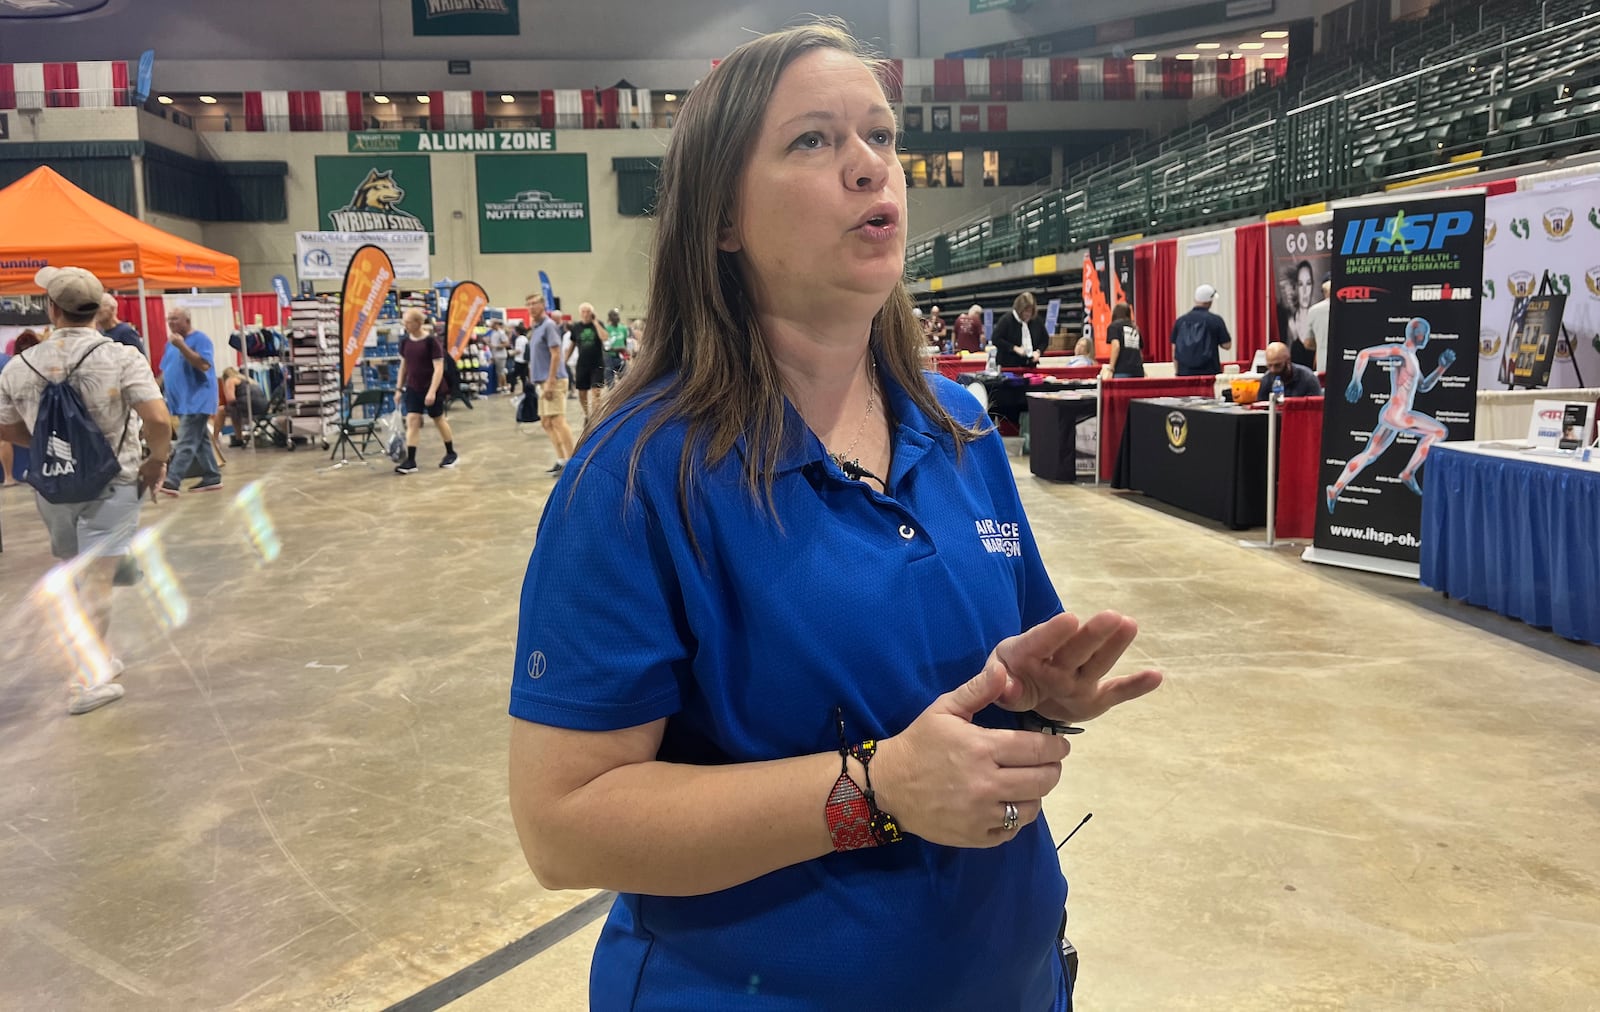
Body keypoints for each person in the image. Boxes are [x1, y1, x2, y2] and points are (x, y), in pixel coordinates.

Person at [506, 23, 1162, 1011]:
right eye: (813, 141)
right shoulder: (638, 478)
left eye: (880, 136)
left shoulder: (960, 427)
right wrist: (880, 788)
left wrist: (1038, 697)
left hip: (1008, 972)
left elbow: (992, 677)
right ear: (721, 219)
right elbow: (565, 825)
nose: (868, 167)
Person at [0, 266, 172, 715]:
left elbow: (5, 428)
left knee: (79, 573)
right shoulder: (120, 357)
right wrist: (156, 461)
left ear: (51, 309)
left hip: (52, 486)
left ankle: (95, 657)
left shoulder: (19, 365)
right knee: (97, 581)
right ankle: (84, 680)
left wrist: (48, 443)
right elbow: (157, 420)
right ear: (98, 309)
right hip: (111, 482)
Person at [1326, 316, 1454, 511]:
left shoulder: (1411, 357)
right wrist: (1356, 380)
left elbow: (1424, 386)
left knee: (1369, 454)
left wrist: (1441, 368)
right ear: (1420, 335)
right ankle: (1408, 473)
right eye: (1426, 334)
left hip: (1391, 414)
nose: (1428, 338)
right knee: (1438, 432)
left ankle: (1335, 489)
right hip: (1398, 415)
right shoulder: (1401, 353)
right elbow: (1364, 354)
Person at [159, 307, 222, 495]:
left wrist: (182, 347)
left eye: (175, 319)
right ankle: (212, 476)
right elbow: (165, 371)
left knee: (185, 441)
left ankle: (172, 480)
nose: (171, 323)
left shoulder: (200, 339)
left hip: (198, 399)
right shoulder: (170, 343)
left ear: (187, 321)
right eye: (169, 319)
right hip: (181, 401)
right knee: (200, 439)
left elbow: (203, 365)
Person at [392, 308, 459, 473]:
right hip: (413, 387)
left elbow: (438, 368)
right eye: (404, 321)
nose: (404, 324)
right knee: (412, 420)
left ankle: (451, 453)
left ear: (418, 323)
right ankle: (411, 460)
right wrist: (399, 389)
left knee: (438, 419)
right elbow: (404, 366)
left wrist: (432, 391)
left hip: (432, 388)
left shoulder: (431, 342)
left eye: (407, 322)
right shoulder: (405, 343)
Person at [524, 293, 575, 473]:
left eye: (534, 303)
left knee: (558, 420)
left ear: (543, 305)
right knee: (546, 422)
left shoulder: (549, 326)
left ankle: (572, 463)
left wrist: (551, 381)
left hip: (553, 380)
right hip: (541, 382)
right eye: (528, 304)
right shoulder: (536, 327)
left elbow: (556, 354)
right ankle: (561, 460)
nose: (531, 307)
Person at [1171, 284, 1233, 376]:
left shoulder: (1180, 321)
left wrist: (1177, 372)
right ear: (1210, 301)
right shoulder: (1215, 320)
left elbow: (1174, 350)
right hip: (1209, 373)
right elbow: (1227, 345)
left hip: (1185, 373)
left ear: (1195, 299)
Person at [568, 302, 608, 423]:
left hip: (597, 363)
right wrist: (564, 359)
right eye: (583, 312)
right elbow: (572, 344)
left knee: (596, 391)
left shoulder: (598, 324)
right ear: (580, 313)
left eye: (588, 311)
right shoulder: (576, 327)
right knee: (582, 392)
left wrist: (595, 322)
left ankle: (595, 418)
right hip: (582, 364)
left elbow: (604, 337)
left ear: (592, 313)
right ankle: (587, 414)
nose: (586, 314)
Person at [991, 291, 1050, 367]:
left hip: (1030, 365)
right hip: (1008, 365)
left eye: (1030, 311)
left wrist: (1038, 352)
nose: (1028, 314)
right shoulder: (1007, 320)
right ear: (1019, 309)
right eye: (1025, 311)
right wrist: (1014, 348)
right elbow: (996, 339)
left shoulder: (1036, 320)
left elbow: (1045, 339)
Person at [217, 366, 272, 447]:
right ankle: (238, 437)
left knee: (221, 410)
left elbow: (230, 399)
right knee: (233, 409)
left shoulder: (230, 380)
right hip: (263, 407)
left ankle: (215, 438)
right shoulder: (248, 380)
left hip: (250, 406)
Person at [1253, 341, 1322, 401]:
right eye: (1269, 365)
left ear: (1288, 361)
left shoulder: (1308, 379)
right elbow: (1261, 409)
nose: (1273, 370)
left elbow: (1316, 409)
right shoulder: (1266, 379)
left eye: (1277, 365)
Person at [1284, 260, 1315, 368]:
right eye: (1301, 284)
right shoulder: (1290, 322)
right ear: (1296, 287)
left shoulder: (1316, 317)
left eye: (1309, 283)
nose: (1305, 291)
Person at [1105, 300, 1144, 378]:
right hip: (1138, 370)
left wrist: (1111, 368)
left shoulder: (1114, 326)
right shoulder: (1135, 328)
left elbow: (1116, 346)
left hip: (1122, 369)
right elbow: (1139, 351)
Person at [1305, 279, 1331, 374]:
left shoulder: (1314, 310)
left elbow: (1308, 343)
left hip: (1323, 364)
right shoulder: (1351, 307)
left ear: (1324, 292)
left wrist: (1321, 344)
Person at [604, 308, 629, 384]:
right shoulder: (606, 329)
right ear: (610, 317)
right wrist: (619, 349)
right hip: (609, 357)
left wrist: (625, 352)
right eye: (614, 315)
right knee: (610, 381)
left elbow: (624, 342)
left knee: (625, 378)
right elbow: (606, 347)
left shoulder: (623, 328)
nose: (617, 317)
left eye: (617, 315)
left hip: (621, 356)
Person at [509, 321, 530, 394]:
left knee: (513, 375)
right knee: (523, 376)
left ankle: (512, 388)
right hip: (525, 360)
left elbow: (518, 350)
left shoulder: (519, 340)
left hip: (518, 360)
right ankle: (524, 389)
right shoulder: (525, 338)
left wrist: (511, 353)